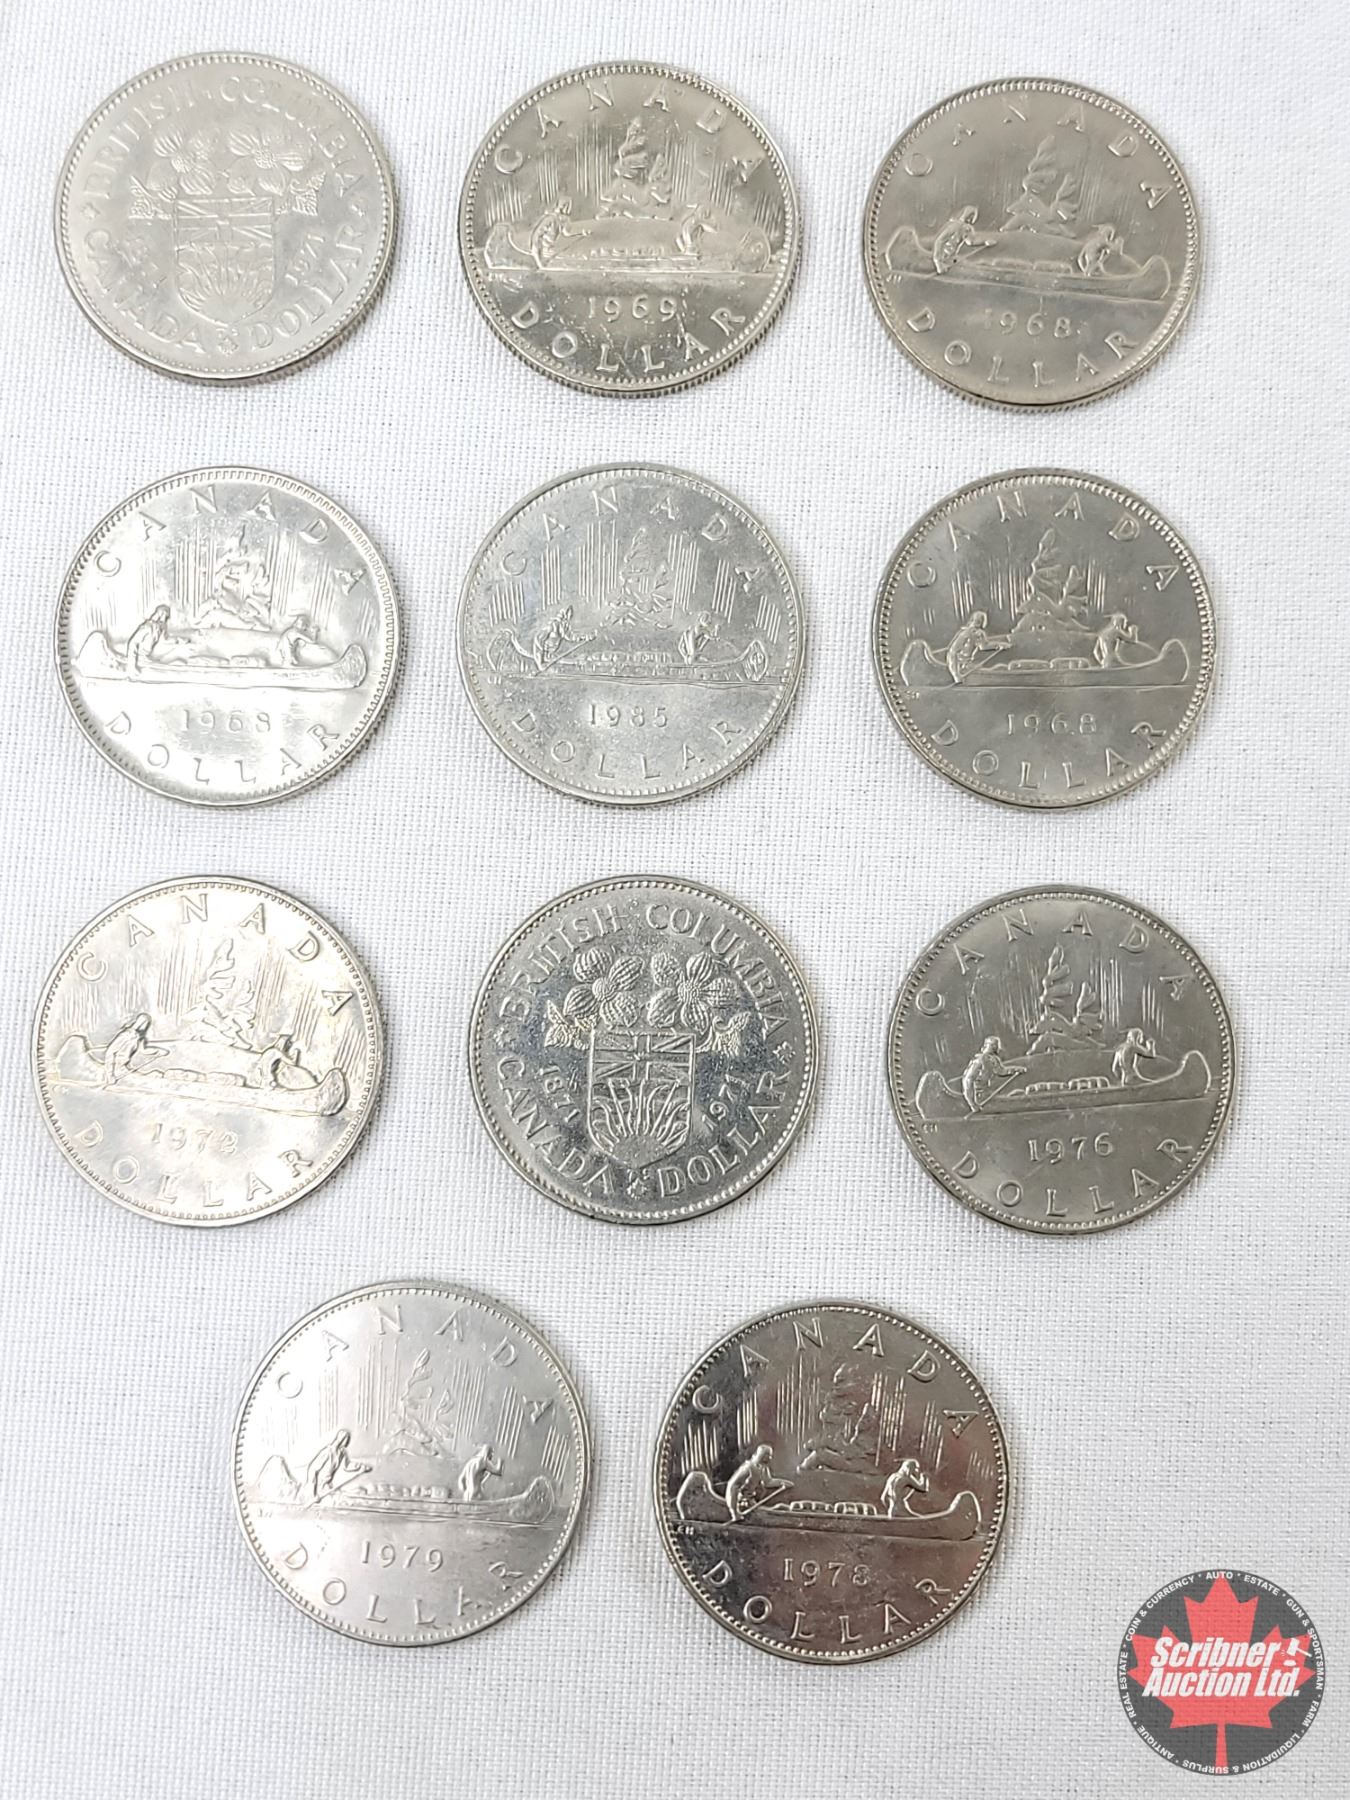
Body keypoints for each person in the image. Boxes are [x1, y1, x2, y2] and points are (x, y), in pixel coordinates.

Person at [960, 1036, 1024, 1113]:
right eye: (995, 1045)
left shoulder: (992, 1059)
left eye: (997, 1045)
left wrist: (1016, 1069)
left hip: (987, 1093)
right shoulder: (979, 1060)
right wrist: (972, 1104)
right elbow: (968, 1080)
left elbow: (1001, 1071)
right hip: (979, 1096)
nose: (997, 1048)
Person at [306, 1428, 370, 1503]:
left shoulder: (341, 1452)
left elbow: (347, 1465)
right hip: (318, 1488)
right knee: (337, 1501)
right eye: (347, 1440)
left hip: (327, 1485)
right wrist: (313, 1494)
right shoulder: (327, 1452)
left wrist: (361, 1467)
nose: (347, 1443)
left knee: (353, 1494)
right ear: (341, 1439)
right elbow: (313, 1469)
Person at [944, 610, 1006, 683]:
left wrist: (999, 645)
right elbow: (953, 652)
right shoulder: (971, 633)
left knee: (998, 668)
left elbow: (983, 646)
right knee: (994, 670)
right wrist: (956, 675)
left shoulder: (971, 632)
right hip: (962, 666)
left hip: (965, 663)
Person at [725, 1445, 785, 1517]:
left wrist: (784, 1483)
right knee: (774, 1511)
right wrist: (734, 1512)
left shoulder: (763, 1467)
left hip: (752, 1502)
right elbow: (732, 1486)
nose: (770, 1458)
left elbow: (768, 1482)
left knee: (780, 1507)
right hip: (743, 1504)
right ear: (761, 1455)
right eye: (767, 1455)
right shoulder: (748, 1467)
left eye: (770, 1456)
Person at [102, 1012, 151, 1086]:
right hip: (116, 1071)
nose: (146, 1026)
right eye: (146, 1023)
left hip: (125, 1068)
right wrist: (110, 1075)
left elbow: (143, 1051)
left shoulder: (138, 1037)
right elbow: (110, 1052)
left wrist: (158, 1052)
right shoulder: (125, 1035)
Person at [126, 606, 170, 674]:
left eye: (166, 616)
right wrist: (132, 665)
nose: (165, 618)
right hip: (140, 658)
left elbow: (164, 641)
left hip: (150, 657)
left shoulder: (160, 628)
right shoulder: (147, 627)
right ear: (159, 614)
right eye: (164, 615)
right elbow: (132, 643)